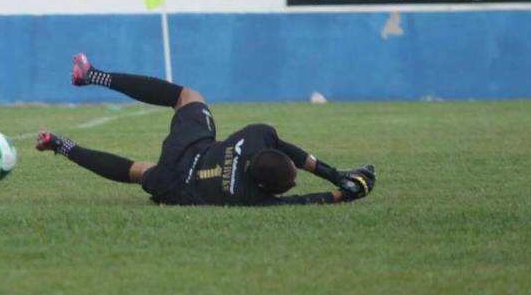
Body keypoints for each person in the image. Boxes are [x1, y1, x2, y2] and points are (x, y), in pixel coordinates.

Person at [36, 54, 376, 206]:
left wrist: (335, 176)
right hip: (176, 184)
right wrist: (342, 193)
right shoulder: (248, 198)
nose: (294, 185)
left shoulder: (254, 136)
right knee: (137, 171)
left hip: (191, 149)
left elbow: (286, 150)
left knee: (187, 96)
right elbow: (303, 203)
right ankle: (60, 144)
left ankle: (92, 75)